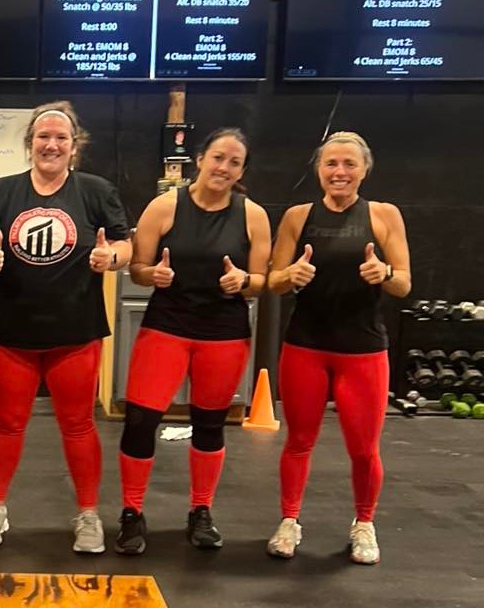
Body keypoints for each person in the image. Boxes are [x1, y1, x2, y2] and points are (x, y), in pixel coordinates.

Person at [0, 100, 132, 554]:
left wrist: (112, 257)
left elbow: (125, 245)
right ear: (30, 143)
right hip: (11, 333)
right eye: (43, 136)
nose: (51, 145)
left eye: (61, 138)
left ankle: (89, 514)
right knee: (6, 424)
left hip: (75, 333)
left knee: (78, 426)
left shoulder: (96, 191)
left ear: (75, 146)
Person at [116, 127, 271, 555]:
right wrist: (153, 275)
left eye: (235, 162)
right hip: (167, 327)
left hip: (223, 332)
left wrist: (244, 280)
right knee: (140, 421)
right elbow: (137, 269)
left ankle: (201, 511)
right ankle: (131, 512)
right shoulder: (165, 206)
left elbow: (262, 280)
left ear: (242, 171)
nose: (224, 167)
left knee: (209, 425)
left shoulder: (253, 215)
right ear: (200, 159)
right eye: (218, 158)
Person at [265, 131, 410, 565]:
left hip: (362, 350)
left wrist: (384, 273)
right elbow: (273, 281)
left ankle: (364, 523)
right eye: (331, 163)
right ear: (319, 169)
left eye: (349, 164)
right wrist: (291, 276)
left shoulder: (384, 215)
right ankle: (289, 520)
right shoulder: (297, 216)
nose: (339, 172)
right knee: (298, 441)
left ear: (364, 170)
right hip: (306, 346)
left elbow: (404, 283)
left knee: (364, 449)